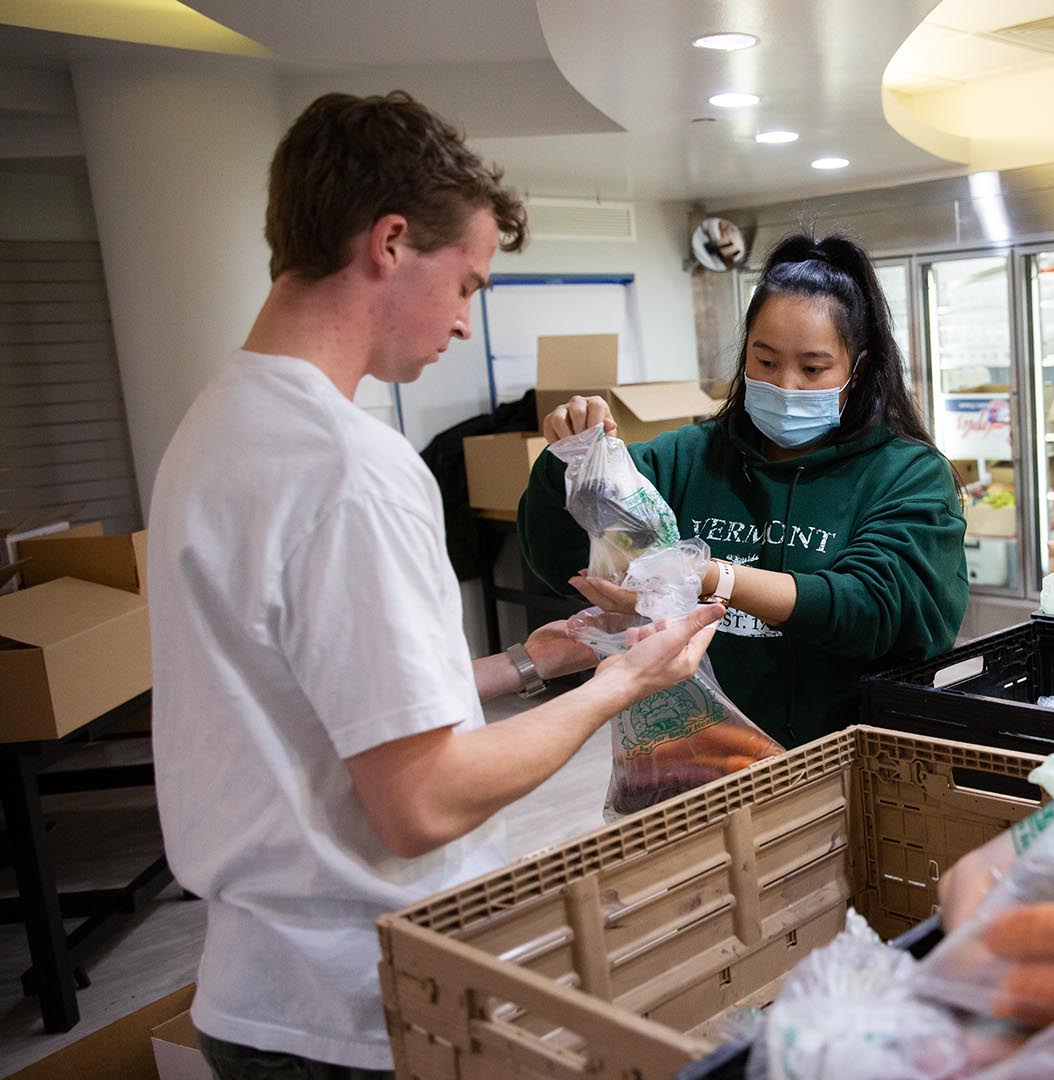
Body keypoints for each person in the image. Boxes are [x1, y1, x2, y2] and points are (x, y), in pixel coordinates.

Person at [147, 91, 724, 1078]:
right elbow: (421, 803)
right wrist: (621, 686)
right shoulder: (352, 466)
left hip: (256, 993)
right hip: (355, 1012)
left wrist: (517, 666)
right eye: (466, 284)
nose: (465, 325)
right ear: (391, 242)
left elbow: (307, 700)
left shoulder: (213, 426)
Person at [520, 233, 969, 749]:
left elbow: (874, 606)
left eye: (814, 368)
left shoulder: (905, 474)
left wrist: (708, 575)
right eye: (766, 361)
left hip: (846, 761)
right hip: (697, 760)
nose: (786, 386)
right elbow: (568, 559)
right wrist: (573, 463)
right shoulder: (687, 458)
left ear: (858, 367)